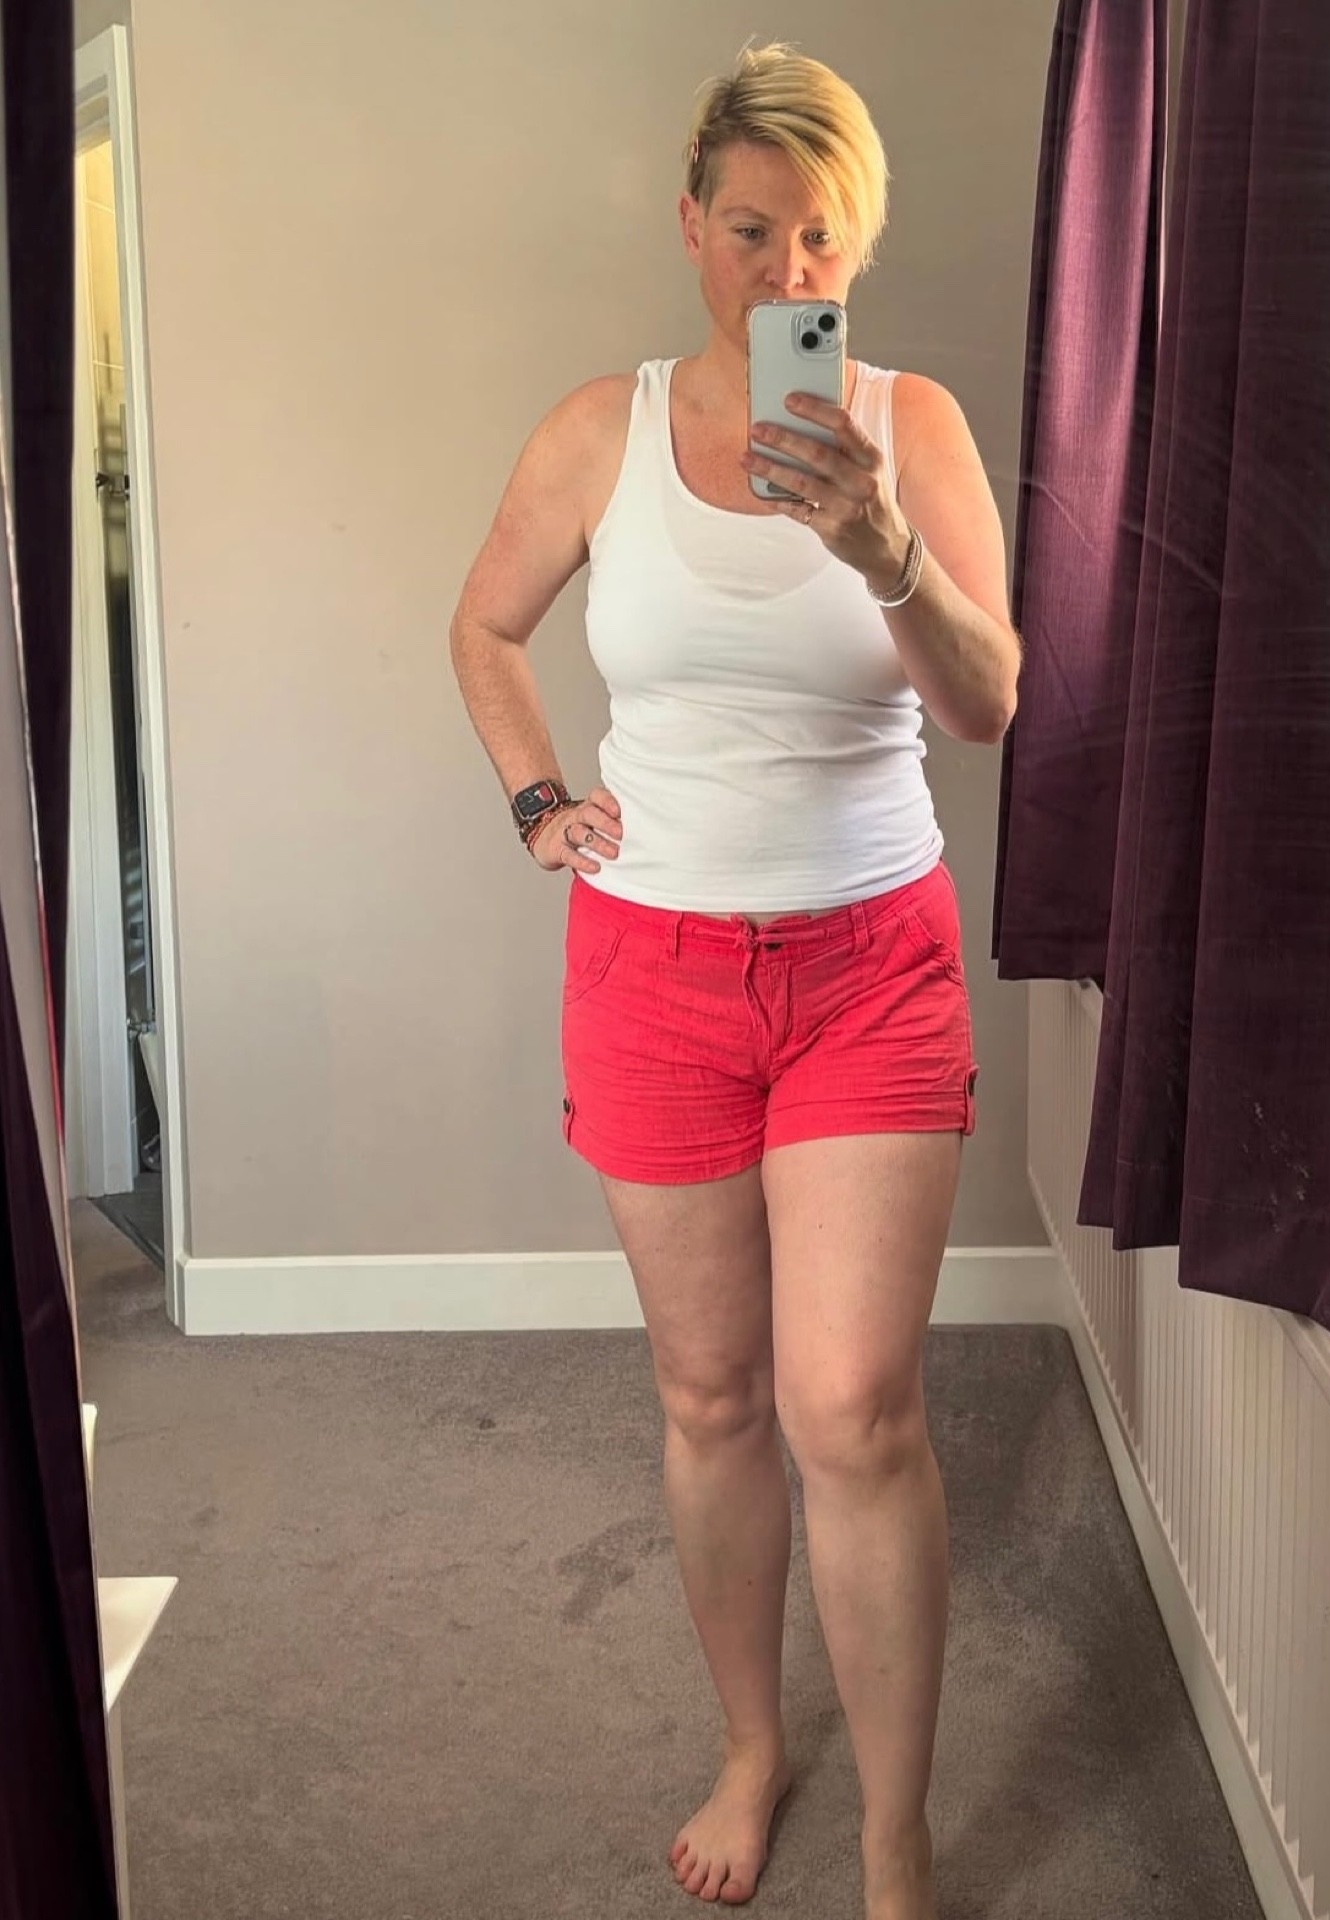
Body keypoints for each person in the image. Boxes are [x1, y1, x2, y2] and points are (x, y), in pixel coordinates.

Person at [449, 43, 1021, 1920]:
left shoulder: (910, 426)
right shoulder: (596, 432)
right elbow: (485, 624)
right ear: (691, 225)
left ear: (861, 246)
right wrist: (539, 798)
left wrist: (882, 546)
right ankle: (754, 1745)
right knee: (709, 1398)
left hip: (870, 962)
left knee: (850, 1408)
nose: (788, 272)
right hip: (655, 968)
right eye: (754, 230)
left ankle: (893, 1834)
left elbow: (988, 705)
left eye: (822, 239)